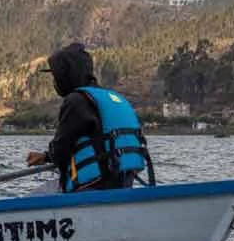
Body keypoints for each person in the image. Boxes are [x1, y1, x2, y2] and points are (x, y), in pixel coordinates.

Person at [26, 43, 155, 192]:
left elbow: (61, 151)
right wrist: (46, 157)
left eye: (56, 77)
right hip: (123, 185)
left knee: (36, 196)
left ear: (66, 75)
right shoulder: (113, 97)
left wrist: (50, 156)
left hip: (93, 190)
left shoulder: (76, 101)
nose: (55, 82)